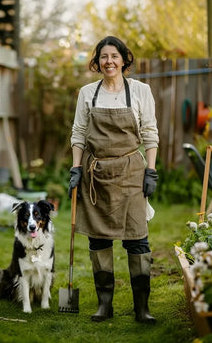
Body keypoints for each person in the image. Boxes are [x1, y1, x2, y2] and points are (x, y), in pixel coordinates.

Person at [68, 36, 159, 324]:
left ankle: (141, 308)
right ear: (97, 62)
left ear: (123, 59)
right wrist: (76, 168)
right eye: (103, 56)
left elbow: (150, 134)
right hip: (96, 176)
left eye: (114, 56)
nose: (109, 61)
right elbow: (79, 133)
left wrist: (151, 171)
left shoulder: (141, 91)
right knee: (98, 239)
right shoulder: (87, 93)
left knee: (138, 240)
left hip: (131, 172)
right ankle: (104, 304)